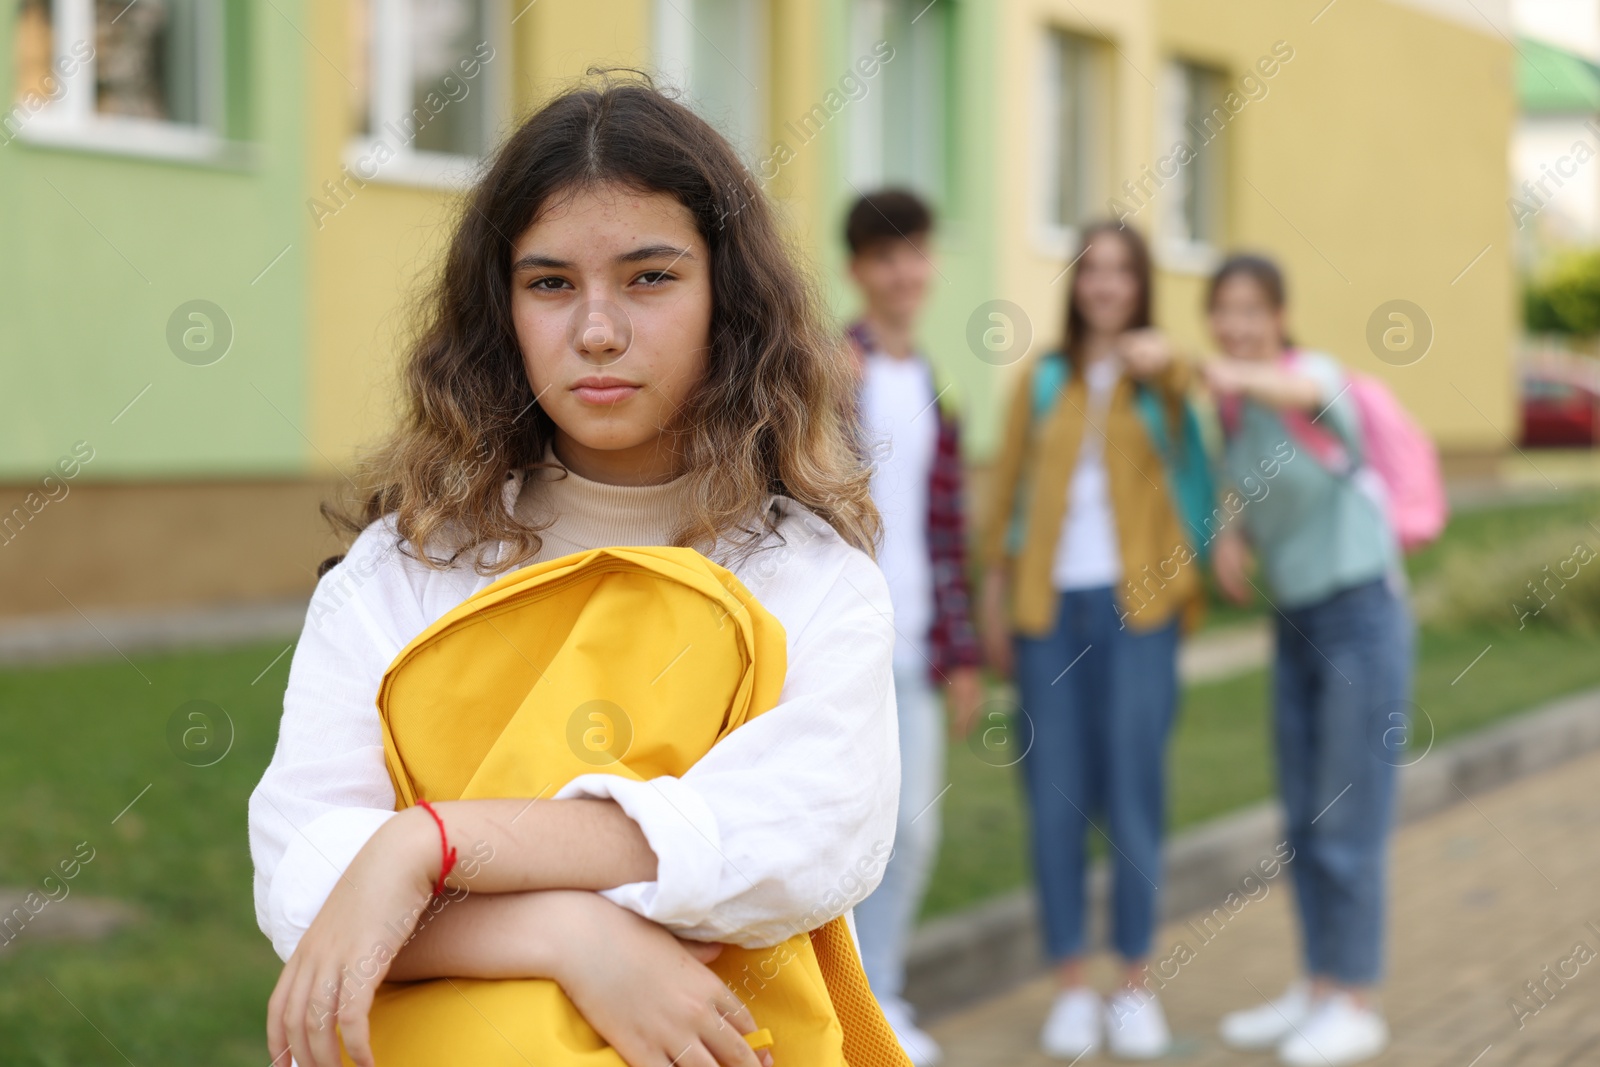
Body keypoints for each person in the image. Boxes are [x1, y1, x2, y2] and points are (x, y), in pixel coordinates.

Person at [247, 79, 911, 1067]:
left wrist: (427, 844)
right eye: (550, 282)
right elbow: (307, 878)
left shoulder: (807, 576)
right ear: (500, 306)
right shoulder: (401, 569)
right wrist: (570, 937)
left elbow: (801, 835)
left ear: (726, 296)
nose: (596, 330)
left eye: (649, 277)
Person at [978, 222, 1205, 1061]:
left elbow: (1200, 430)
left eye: (1122, 272)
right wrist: (994, 598)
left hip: (1139, 610)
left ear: (1141, 285)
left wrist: (1168, 365)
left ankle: (1134, 985)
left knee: (1135, 798)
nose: (1106, 285)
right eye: (1093, 271)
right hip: (1048, 613)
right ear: (1076, 284)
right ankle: (1072, 986)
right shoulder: (1041, 380)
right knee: (1054, 802)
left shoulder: (1161, 375)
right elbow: (1002, 497)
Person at [1204, 254, 1413, 1067]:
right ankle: (1317, 985)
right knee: (1303, 818)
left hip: (1362, 613)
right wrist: (1230, 531)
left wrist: (1228, 370)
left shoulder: (1307, 374)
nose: (1237, 324)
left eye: (1253, 310)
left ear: (1279, 315)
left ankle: (1355, 999)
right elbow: (1258, 487)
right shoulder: (1234, 408)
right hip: (1295, 621)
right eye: (1224, 310)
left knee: (1348, 820)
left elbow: (1308, 397)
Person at [841, 188, 984, 1067]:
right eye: (886, 257)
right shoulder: (827, 369)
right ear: (860, 271)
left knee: (915, 828)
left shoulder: (932, 380)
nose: (904, 272)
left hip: (918, 643)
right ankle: (840, 1007)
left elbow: (945, 530)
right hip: (846, 646)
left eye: (916, 253)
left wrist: (961, 653)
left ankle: (882, 994)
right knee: (843, 828)